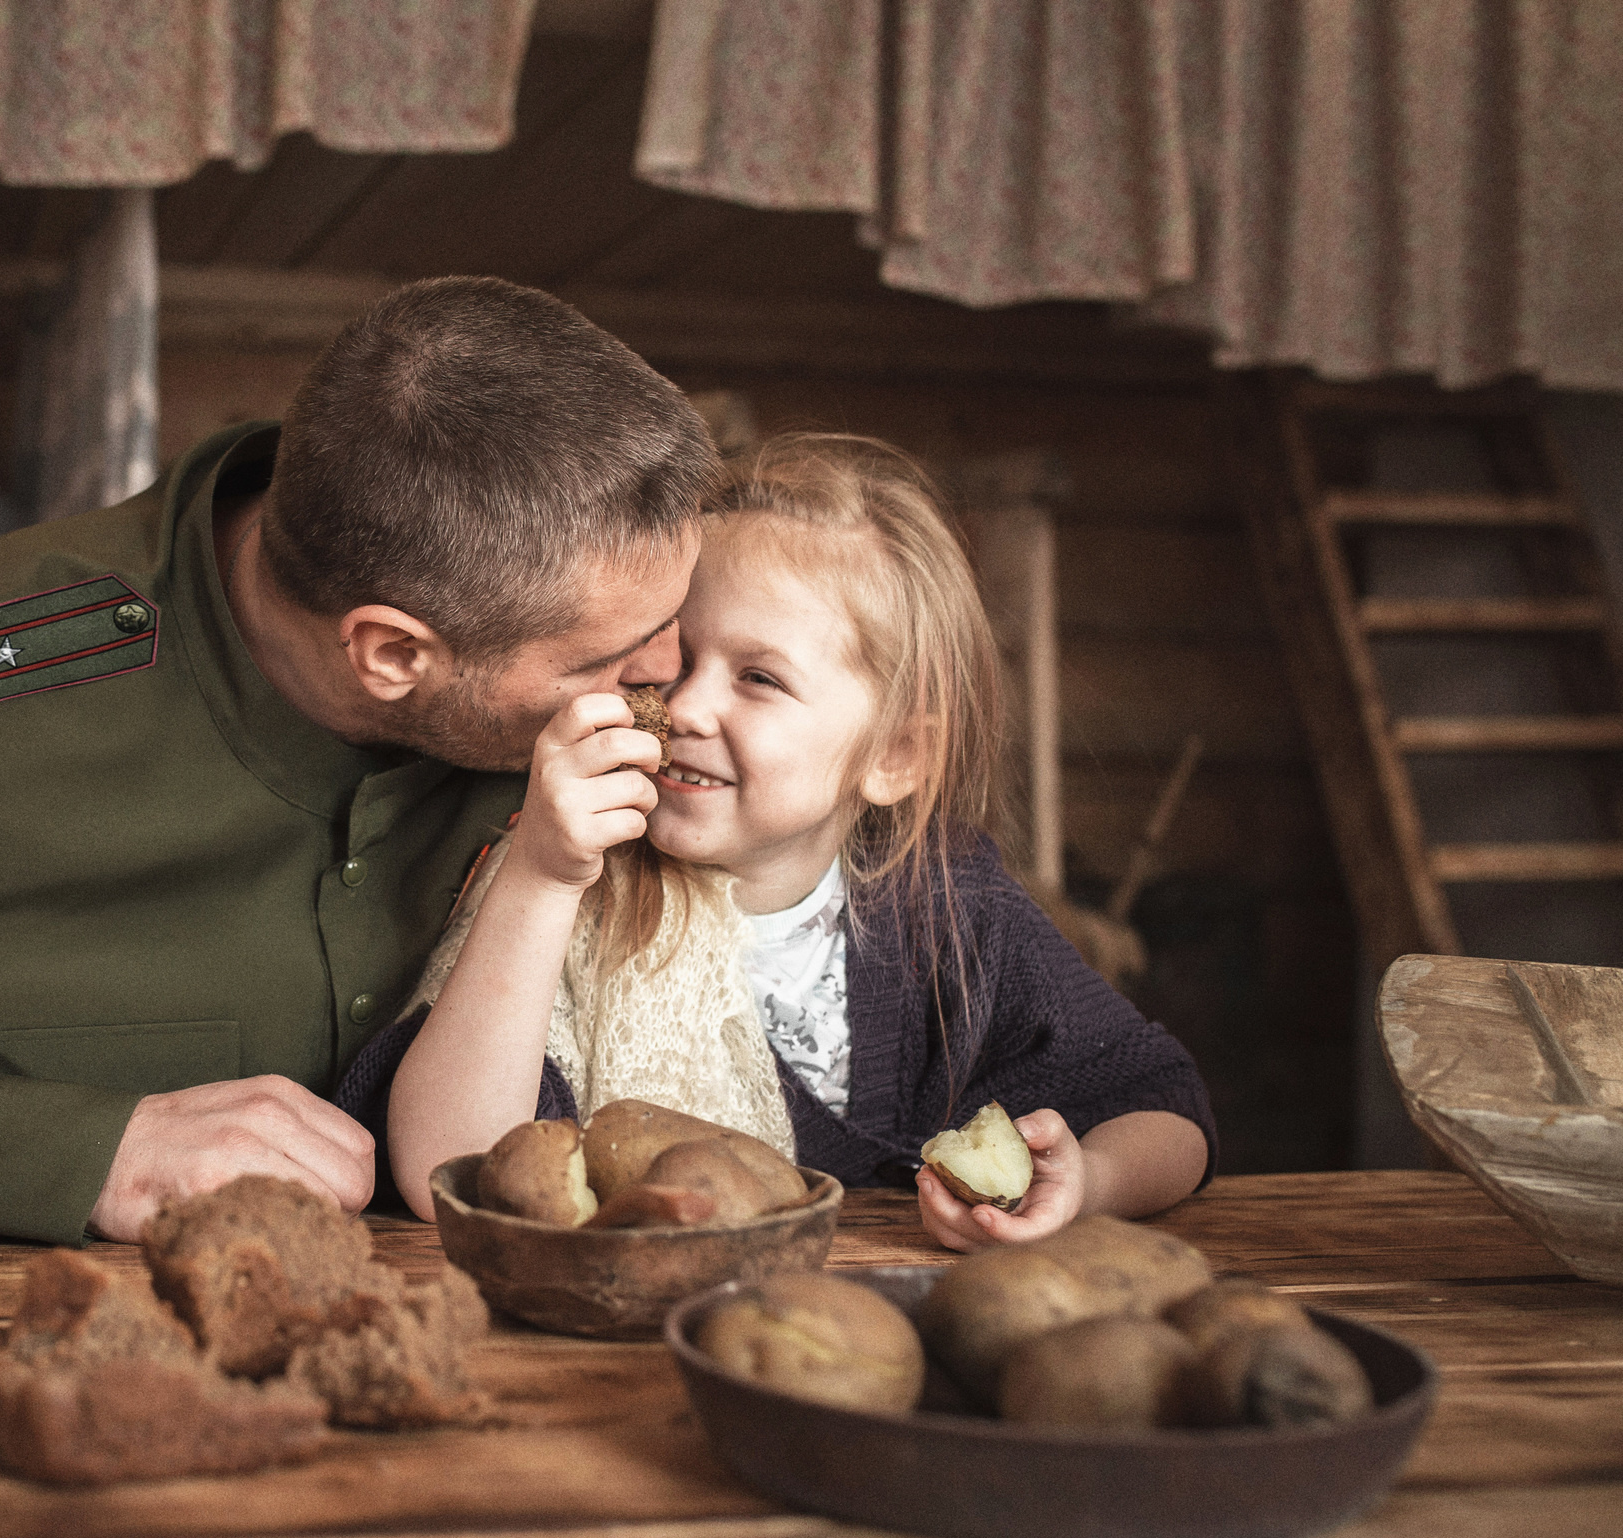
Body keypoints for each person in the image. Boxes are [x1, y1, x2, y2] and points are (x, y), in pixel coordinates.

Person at [0, 276, 722, 1247]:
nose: (677, 672)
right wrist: (86, 1152)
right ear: (392, 653)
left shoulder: (635, 702)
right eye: (616, 654)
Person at [353, 431, 1215, 1249]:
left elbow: (1163, 1106)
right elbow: (447, 1171)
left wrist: (1088, 1183)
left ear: (895, 754)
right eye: (672, 658)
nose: (683, 707)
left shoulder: (947, 901)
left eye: (758, 678)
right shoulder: (569, 875)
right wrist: (540, 877)